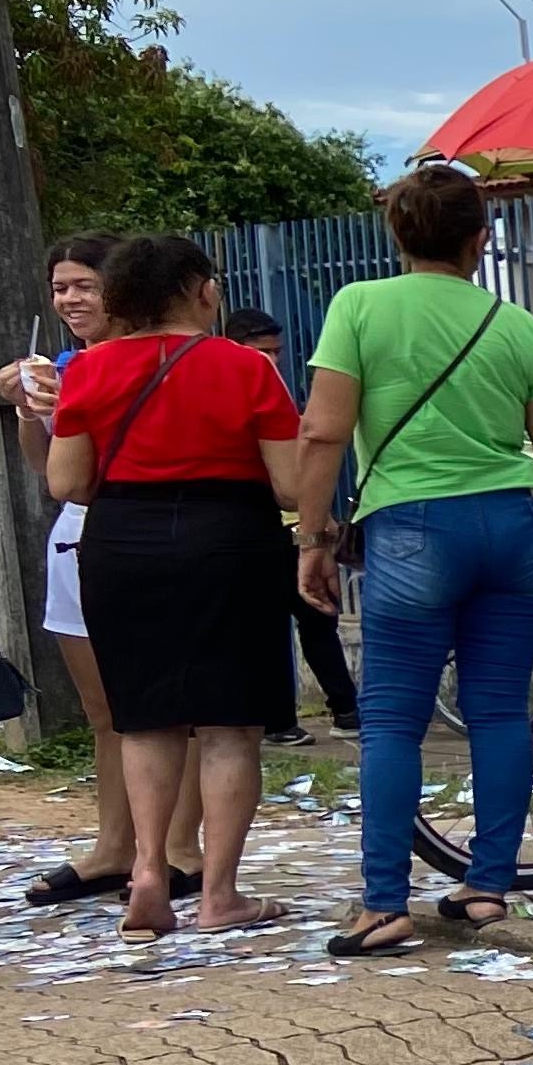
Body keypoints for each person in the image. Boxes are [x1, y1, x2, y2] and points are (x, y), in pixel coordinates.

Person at [291, 163, 533, 957]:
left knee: (393, 717)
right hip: (518, 520)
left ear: (396, 233)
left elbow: (323, 432)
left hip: (414, 524)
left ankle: (384, 902)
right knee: (498, 712)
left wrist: (312, 537)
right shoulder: (518, 325)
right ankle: (489, 885)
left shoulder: (359, 307)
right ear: (480, 242)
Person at [46, 238, 311, 940]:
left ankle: (147, 877)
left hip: (121, 539)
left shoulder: (91, 369)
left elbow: (67, 482)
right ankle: (218, 893)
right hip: (229, 536)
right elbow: (290, 485)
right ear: (201, 290)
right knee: (230, 724)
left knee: (142, 717)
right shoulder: (248, 368)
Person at [0, 230, 200, 908]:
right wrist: (31, 406)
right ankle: (115, 848)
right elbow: (48, 471)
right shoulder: (64, 363)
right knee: (105, 711)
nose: (71, 299)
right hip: (78, 539)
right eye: (59, 287)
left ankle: (176, 850)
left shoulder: (156, 358)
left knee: (173, 707)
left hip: (143, 536)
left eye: (84, 285)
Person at [223, 305, 358, 743]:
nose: (271, 361)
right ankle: (280, 720)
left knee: (319, 619)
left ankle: (345, 710)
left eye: (277, 352)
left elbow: (309, 465)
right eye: (261, 351)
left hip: (300, 525)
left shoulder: (280, 392)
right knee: (267, 629)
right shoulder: (229, 393)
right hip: (258, 528)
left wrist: (323, 520)